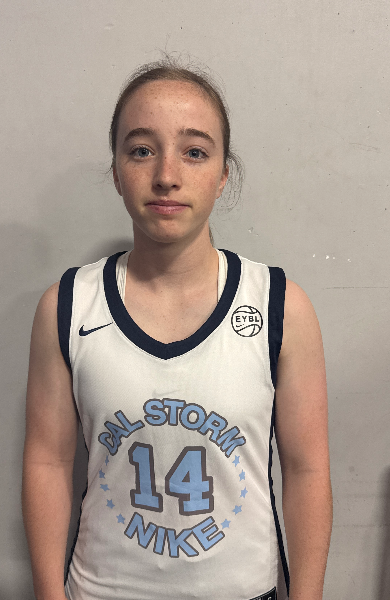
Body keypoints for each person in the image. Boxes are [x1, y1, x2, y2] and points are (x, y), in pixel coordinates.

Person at [22, 57, 332, 600]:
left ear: (223, 174)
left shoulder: (280, 305)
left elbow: (307, 471)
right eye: (142, 150)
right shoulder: (68, 306)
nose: (167, 175)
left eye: (194, 152)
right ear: (116, 171)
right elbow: (48, 461)